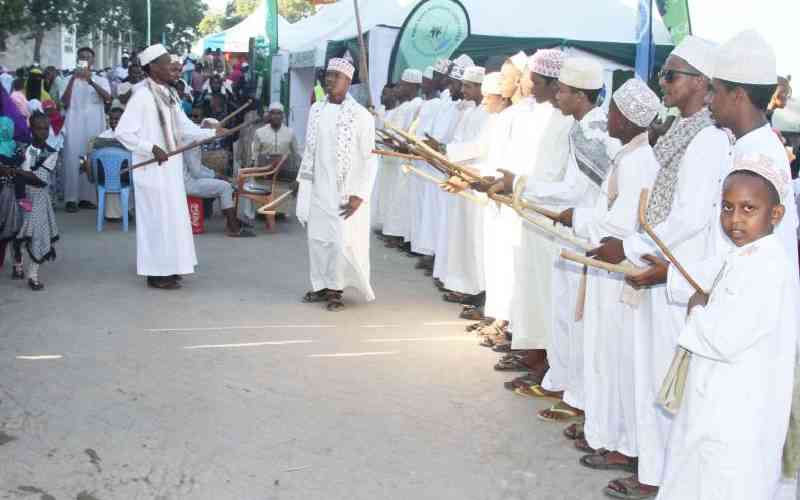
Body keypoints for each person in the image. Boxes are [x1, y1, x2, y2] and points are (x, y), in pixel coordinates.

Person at [590, 36, 732, 498]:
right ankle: (650, 469)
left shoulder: (709, 138)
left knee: (665, 382)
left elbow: (690, 216)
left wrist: (629, 247)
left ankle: (661, 479)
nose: (663, 83)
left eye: (670, 75)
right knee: (647, 374)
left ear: (700, 83)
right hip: (656, 264)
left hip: (676, 273)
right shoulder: (680, 131)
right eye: (664, 74)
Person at [655, 154, 799, 500]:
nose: (734, 220)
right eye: (727, 207)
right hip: (719, 402)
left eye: (748, 209)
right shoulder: (746, 255)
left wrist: (695, 310)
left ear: (775, 215)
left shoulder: (766, 266)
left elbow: (724, 337)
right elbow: (706, 273)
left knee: (725, 483)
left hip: (740, 414)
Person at [556, 78, 663, 472]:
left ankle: (623, 443)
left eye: (616, 113)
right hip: (603, 269)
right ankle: (601, 430)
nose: (610, 119)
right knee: (600, 351)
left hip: (618, 274)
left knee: (619, 360)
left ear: (633, 120)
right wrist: (581, 219)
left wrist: (577, 218)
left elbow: (620, 227)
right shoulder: (625, 156)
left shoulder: (639, 163)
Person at [114, 44, 226, 290]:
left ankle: (171, 268)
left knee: (173, 220)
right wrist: (150, 147)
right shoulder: (142, 95)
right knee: (156, 222)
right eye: (167, 63)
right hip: (151, 171)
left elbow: (184, 128)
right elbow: (122, 132)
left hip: (171, 170)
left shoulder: (170, 94)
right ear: (153, 68)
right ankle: (156, 274)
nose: (173, 68)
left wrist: (210, 132)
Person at [295, 57, 377, 311]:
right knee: (318, 239)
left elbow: (370, 158)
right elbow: (309, 150)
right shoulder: (316, 110)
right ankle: (321, 284)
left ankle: (336, 289)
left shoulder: (361, 115)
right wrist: (304, 185)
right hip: (319, 185)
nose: (329, 80)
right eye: (327, 75)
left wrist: (360, 194)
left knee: (341, 241)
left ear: (348, 81)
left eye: (336, 76)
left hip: (346, 190)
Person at [184, 104, 249, 237]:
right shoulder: (193, 143)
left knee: (227, 184)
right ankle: (234, 228)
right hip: (186, 183)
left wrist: (216, 175)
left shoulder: (194, 138)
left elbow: (198, 168)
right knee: (225, 187)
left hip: (189, 179)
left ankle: (232, 222)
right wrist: (215, 175)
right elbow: (196, 172)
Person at [61, 46, 112, 212]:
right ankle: (71, 199)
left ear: (92, 61)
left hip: (94, 125)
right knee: (72, 159)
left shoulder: (101, 79)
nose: (84, 60)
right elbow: (64, 102)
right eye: (81, 57)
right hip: (73, 124)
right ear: (77, 60)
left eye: (87, 57)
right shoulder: (67, 79)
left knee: (90, 159)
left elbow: (108, 98)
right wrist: (72, 79)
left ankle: (87, 198)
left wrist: (90, 80)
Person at [14, 112, 59, 290]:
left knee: (37, 235)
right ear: (31, 129)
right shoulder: (21, 147)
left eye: (46, 128)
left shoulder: (52, 153)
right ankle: (18, 265)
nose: (43, 132)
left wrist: (13, 171)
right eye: (39, 128)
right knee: (16, 231)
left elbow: (40, 179)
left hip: (38, 197)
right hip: (18, 194)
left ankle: (33, 275)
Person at [243, 102, 300, 225]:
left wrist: (299, 171)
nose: (275, 116)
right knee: (248, 182)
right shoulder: (259, 132)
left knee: (295, 181)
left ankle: (283, 210)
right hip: (264, 167)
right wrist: (252, 166)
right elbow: (255, 152)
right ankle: (249, 213)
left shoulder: (290, 132)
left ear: (283, 116)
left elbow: (296, 153)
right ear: (268, 115)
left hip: (283, 168)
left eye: (278, 113)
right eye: (272, 113)